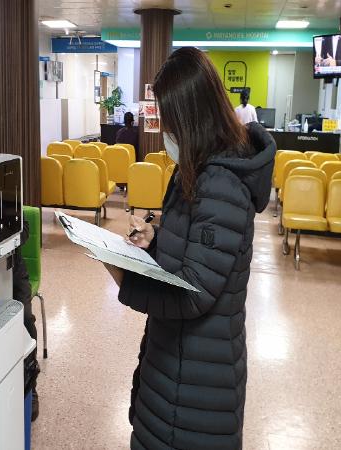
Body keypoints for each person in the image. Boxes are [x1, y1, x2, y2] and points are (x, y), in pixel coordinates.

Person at [103, 47, 276, 449]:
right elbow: (195, 249)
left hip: (198, 379)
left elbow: (194, 292)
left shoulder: (221, 184)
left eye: (169, 119)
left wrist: (124, 276)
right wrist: (155, 239)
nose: (164, 129)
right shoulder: (196, 170)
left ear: (192, 117)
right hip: (174, 361)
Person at [13, 220, 40, 421]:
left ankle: (31, 385)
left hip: (13, 271)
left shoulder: (6, 200)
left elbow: (25, 230)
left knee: (25, 319)